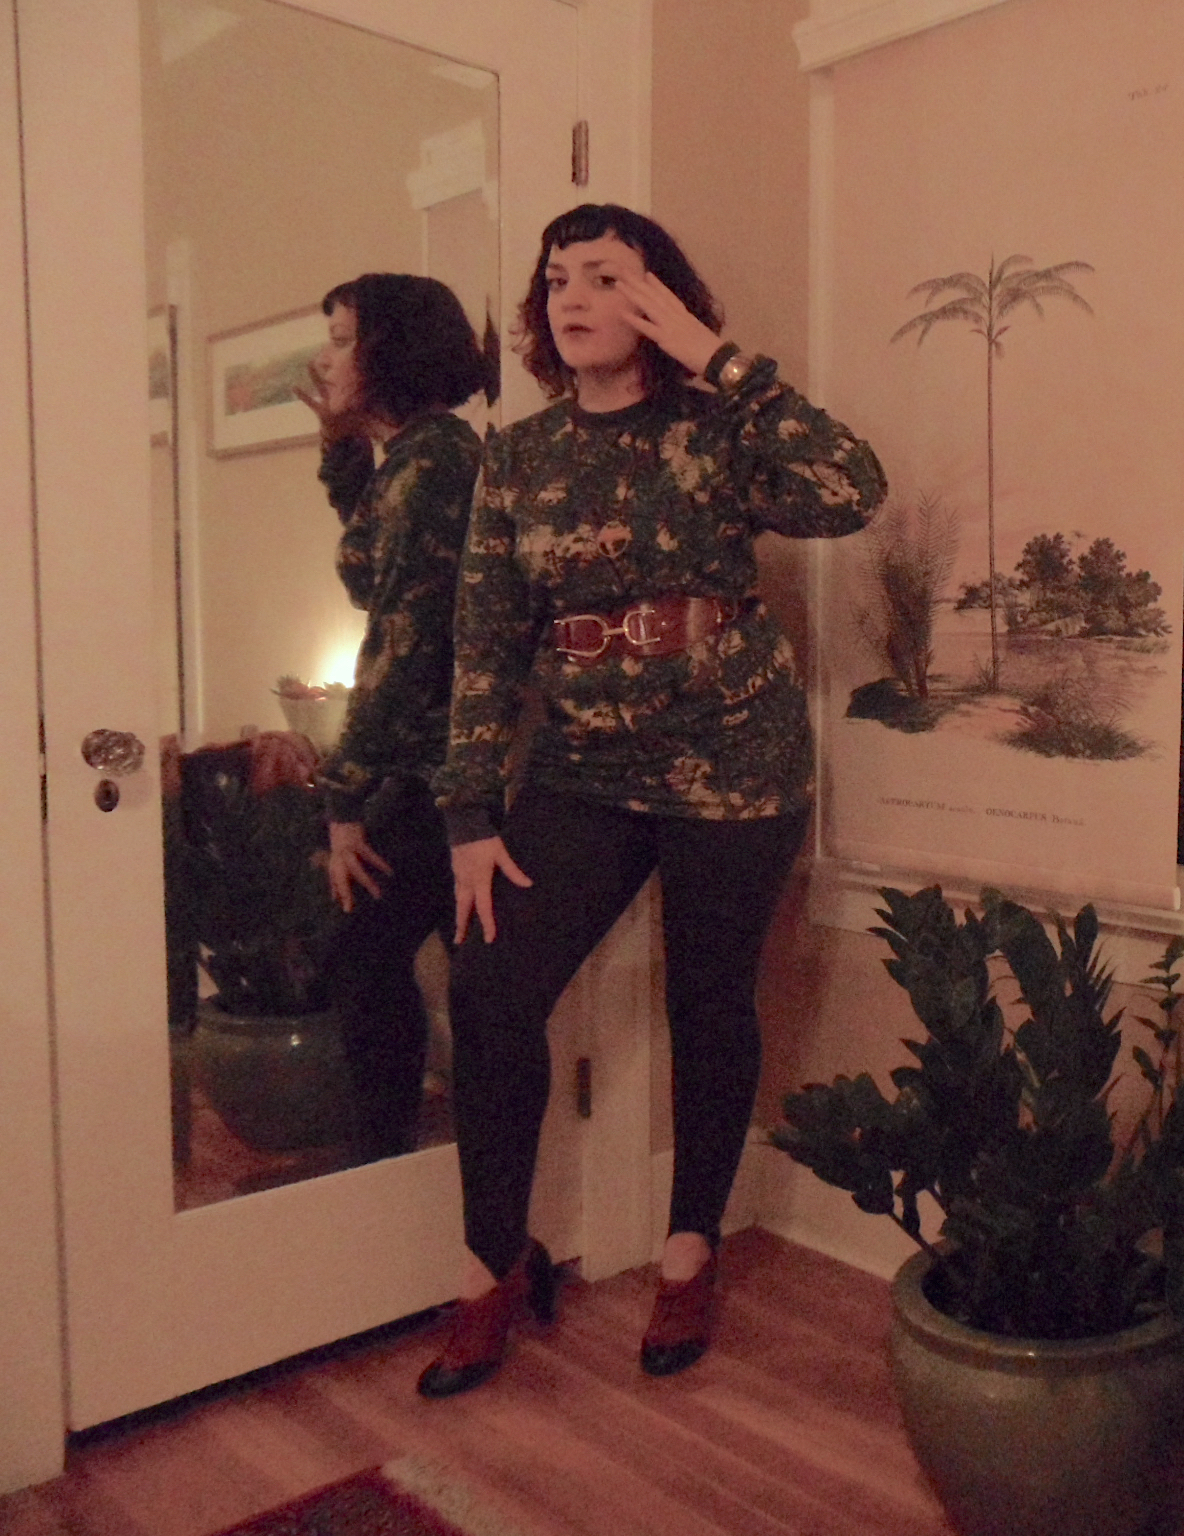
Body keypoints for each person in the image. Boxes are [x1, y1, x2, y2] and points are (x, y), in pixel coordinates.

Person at [416, 204, 887, 1398]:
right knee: (489, 986)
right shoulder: (518, 457)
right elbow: (484, 641)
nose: (573, 296)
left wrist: (716, 358)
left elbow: (850, 490)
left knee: (709, 1001)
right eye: (556, 278)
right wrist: (469, 815)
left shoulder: (716, 424)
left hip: (734, 757)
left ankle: (688, 1250)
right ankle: (492, 1262)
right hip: (581, 769)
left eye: (605, 276)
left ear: (655, 297)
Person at [296, 274, 492, 1164]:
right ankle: (402, 1171)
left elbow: (401, 642)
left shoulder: (434, 464)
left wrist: (342, 796)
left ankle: (388, 1171)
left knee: (368, 959)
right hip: (429, 765)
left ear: (391, 352)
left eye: (343, 340)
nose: (327, 358)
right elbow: (377, 572)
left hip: (447, 769)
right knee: (389, 963)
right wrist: (342, 451)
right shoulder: (417, 458)